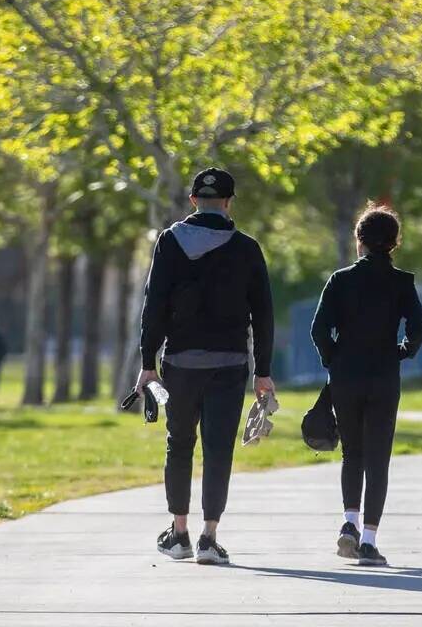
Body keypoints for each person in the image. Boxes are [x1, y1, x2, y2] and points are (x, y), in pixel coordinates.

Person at [137, 167, 275, 566]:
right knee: (218, 450)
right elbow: (263, 314)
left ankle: (178, 533)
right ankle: (209, 539)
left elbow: (154, 306)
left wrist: (148, 363)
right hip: (230, 364)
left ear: (194, 200)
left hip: (179, 362)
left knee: (179, 443)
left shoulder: (168, 242)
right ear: (230, 203)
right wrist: (262, 371)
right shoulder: (247, 248)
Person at [310, 203, 422, 567]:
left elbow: (318, 329)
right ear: (394, 243)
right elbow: (417, 327)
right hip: (383, 376)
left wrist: (333, 359)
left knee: (352, 454)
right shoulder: (402, 282)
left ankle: (349, 522)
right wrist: (403, 351)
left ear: (359, 240)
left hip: (345, 376)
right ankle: (370, 542)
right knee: (378, 460)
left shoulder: (340, 280)